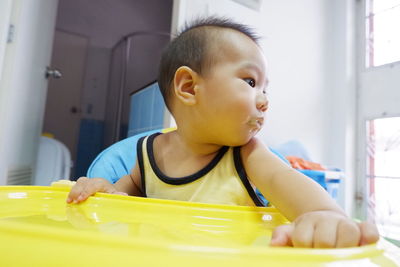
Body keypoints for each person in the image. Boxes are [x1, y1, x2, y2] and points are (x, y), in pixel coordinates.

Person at [66, 17, 378, 248]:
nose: (265, 100)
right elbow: (125, 196)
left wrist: (325, 215)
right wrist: (107, 191)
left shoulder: (250, 155)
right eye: (251, 82)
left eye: (266, 88)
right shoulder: (148, 154)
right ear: (189, 87)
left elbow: (289, 183)